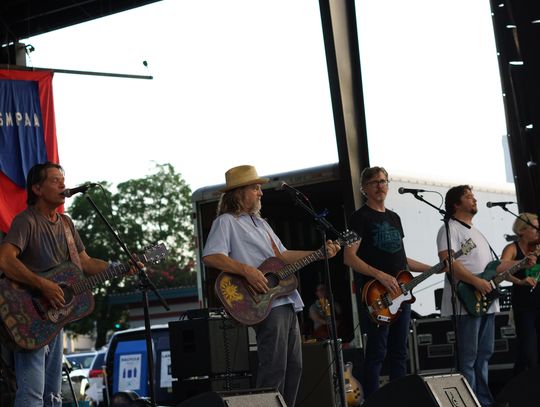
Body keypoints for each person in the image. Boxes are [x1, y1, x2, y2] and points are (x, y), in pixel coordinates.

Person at [202, 165, 341, 407]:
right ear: (238, 192)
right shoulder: (226, 222)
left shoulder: (261, 223)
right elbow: (211, 256)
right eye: (255, 188)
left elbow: (282, 256)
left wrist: (318, 254)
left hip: (285, 299)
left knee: (295, 365)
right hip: (262, 301)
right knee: (274, 365)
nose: (261, 193)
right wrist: (247, 270)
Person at [0, 162, 125, 407]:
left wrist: (119, 266)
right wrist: (43, 285)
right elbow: (4, 259)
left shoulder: (66, 224)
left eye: (63, 179)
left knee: (53, 396)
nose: (63, 185)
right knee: (32, 394)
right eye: (55, 180)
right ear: (37, 188)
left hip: (56, 318)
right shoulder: (27, 221)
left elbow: (86, 263)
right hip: (30, 317)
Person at [436, 185, 535, 407]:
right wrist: (476, 281)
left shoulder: (477, 232)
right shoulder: (449, 229)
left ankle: (483, 401)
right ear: (456, 204)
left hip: (484, 301)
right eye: (468, 197)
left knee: (484, 354)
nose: (474, 199)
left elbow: (494, 266)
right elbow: (448, 262)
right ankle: (467, 402)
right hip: (465, 301)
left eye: (473, 196)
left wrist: (521, 263)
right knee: (468, 358)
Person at [343, 166, 431, 398]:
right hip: (376, 294)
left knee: (399, 352)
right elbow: (349, 257)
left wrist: (434, 268)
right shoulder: (358, 218)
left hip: (401, 294)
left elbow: (401, 259)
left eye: (383, 181)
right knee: (377, 353)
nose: (380, 186)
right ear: (364, 188)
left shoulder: (394, 218)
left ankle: (399, 399)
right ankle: (373, 401)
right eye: (374, 182)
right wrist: (379, 275)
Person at [500, 212, 540, 375]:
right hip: (524, 305)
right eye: (535, 228)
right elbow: (502, 272)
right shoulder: (512, 248)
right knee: (528, 350)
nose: (538, 231)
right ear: (522, 230)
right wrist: (520, 281)